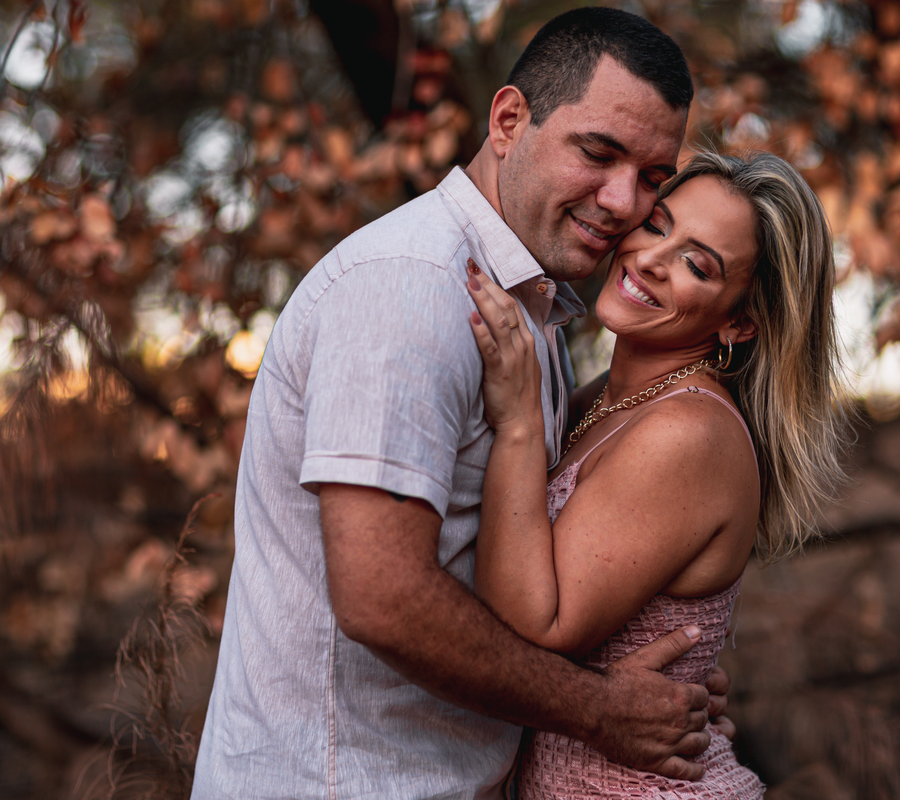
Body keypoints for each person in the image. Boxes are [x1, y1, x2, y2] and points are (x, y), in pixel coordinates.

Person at [191, 9, 732, 799]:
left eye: (652, 178)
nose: (622, 202)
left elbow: (511, 567)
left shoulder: (528, 307)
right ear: (509, 119)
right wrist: (599, 709)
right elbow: (383, 597)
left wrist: (661, 677)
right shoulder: (410, 289)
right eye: (598, 152)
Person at [465, 150, 848, 797]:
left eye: (697, 264)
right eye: (657, 224)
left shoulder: (687, 433)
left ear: (740, 320)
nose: (649, 259)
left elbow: (540, 626)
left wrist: (521, 427)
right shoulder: (601, 401)